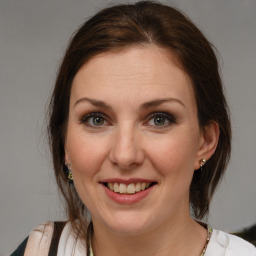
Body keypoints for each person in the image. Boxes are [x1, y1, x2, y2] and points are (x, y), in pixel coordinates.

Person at [11, 1, 256, 255]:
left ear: (205, 141)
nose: (125, 155)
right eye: (96, 119)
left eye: (159, 119)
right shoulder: (36, 250)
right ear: (65, 144)